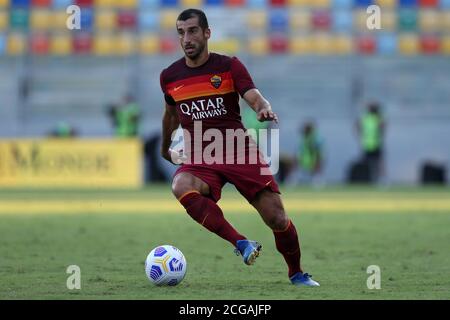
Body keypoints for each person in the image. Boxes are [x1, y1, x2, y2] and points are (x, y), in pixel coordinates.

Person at [159, 8, 319, 287]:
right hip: (201, 155)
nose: (186, 38)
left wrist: (263, 108)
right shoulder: (170, 76)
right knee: (181, 185)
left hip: (237, 149)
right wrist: (164, 149)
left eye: (193, 30)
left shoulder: (229, 66)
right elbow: (171, 115)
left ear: (207, 33)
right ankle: (241, 242)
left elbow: (254, 96)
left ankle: (296, 273)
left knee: (277, 218)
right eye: (181, 32)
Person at [356, 102, 385, 183]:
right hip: (370, 144)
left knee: (377, 163)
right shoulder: (372, 118)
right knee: (372, 163)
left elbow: (358, 126)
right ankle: (368, 178)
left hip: (373, 143)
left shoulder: (375, 118)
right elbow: (383, 127)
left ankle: (379, 179)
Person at [297, 122, 323, 186]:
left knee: (314, 172)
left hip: (312, 158)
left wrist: (317, 160)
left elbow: (317, 150)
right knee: (306, 172)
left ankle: (316, 182)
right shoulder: (304, 138)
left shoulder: (315, 138)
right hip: (305, 158)